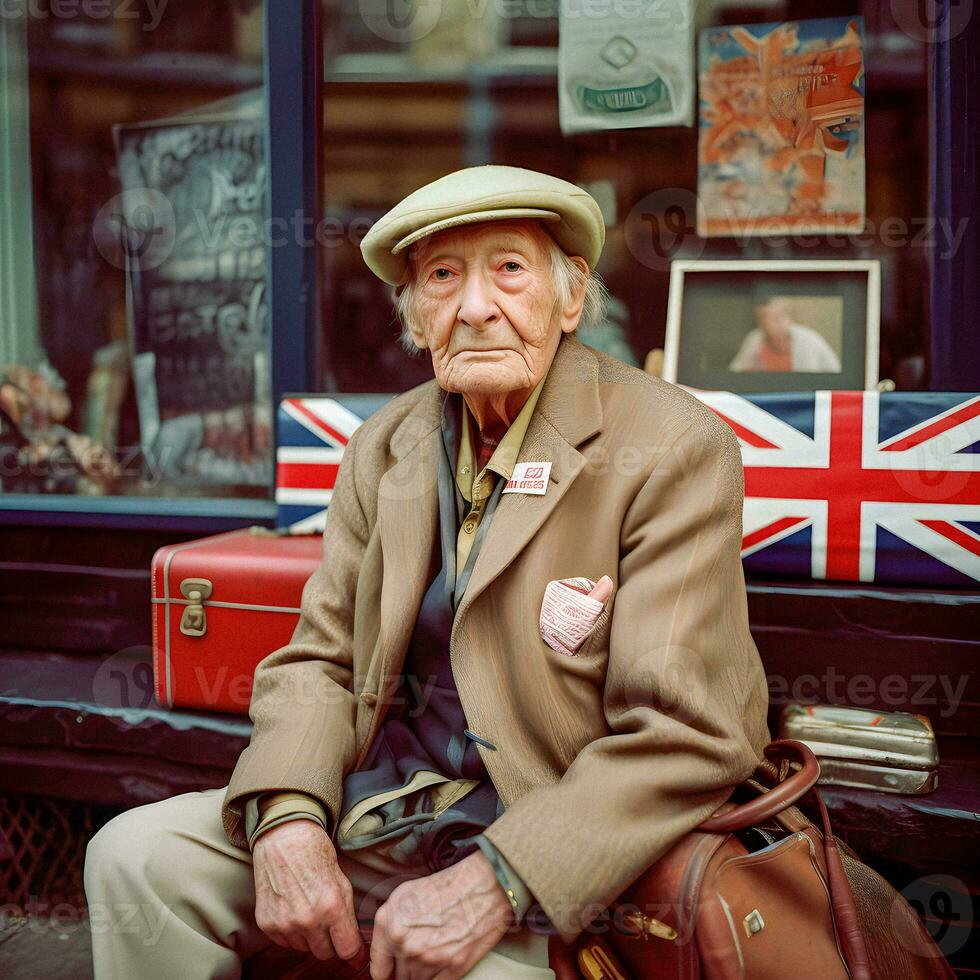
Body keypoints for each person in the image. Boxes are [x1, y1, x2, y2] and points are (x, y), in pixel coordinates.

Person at [85, 165, 771, 980]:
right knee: (133, 856)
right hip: (387, 813)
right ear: (416, 315)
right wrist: (289, 816)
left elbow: (688, 734)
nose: (476, 307)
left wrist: (497, 882)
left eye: (509, 269)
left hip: (554, 857)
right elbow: (320, 660)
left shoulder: (671, 446)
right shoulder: (386, 446)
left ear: (571, 296)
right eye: (443, 276)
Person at [728, 295, 842, 373]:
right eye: (763, 318)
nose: (767, 323)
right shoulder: (755, 338)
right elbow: (735, 373)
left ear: (787, 317)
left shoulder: (809, 340)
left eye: (777, 317)